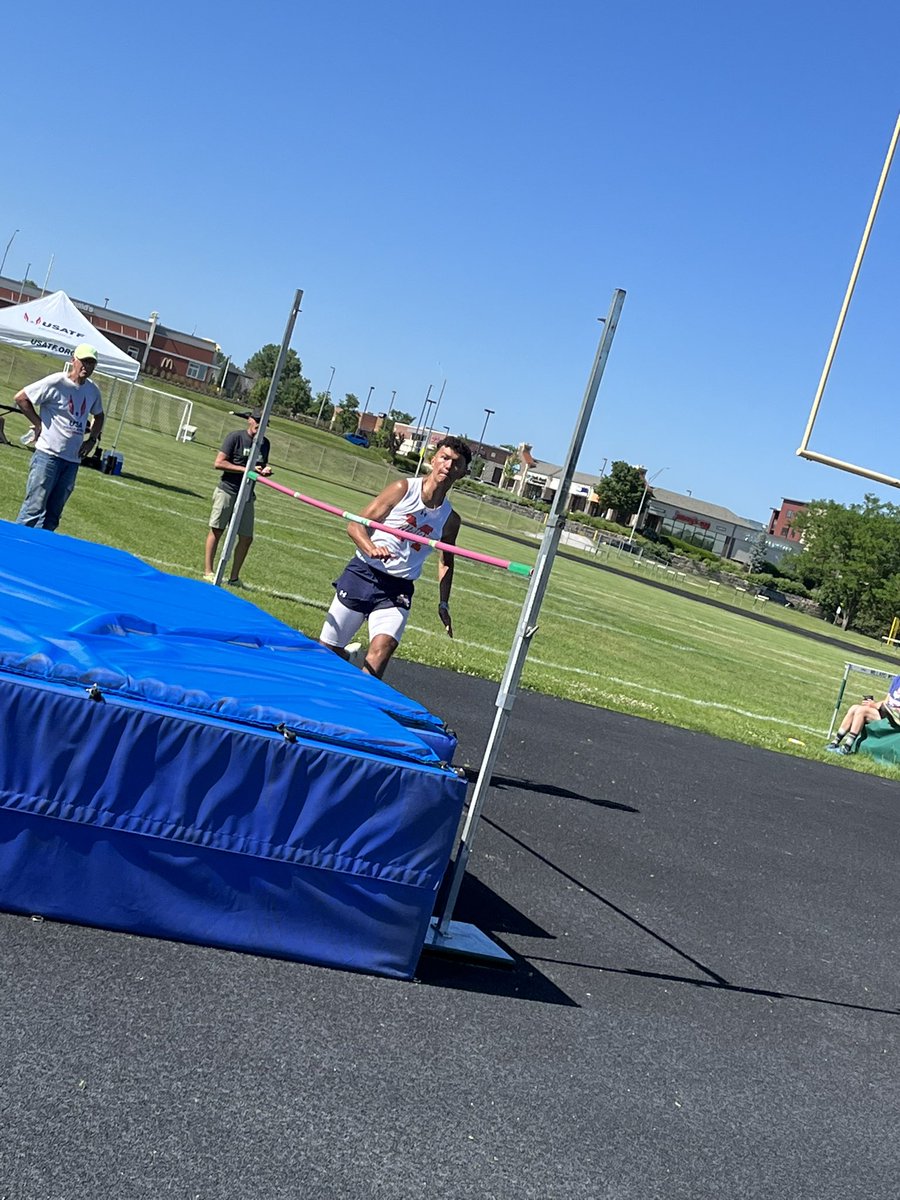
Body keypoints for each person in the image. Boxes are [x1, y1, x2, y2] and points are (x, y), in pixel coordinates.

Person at [319, 436, 472, 678]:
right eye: (444, 458)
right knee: (326, 651)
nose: (448, 466)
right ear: (433, 460)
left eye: (456, 463)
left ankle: (360, 708)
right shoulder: (403, 489)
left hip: (397, 588)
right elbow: (355, 526)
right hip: (362, 573)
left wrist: (443, 604)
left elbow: (446, 561)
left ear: (463, 473)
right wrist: (370, 548)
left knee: (383, 649)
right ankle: (347, 657)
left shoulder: (450, 520)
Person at [14, 344, 104, 531]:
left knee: (54, 514)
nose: (87, 367)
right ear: (74, 360)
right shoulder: (56, 382)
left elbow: (99, 415)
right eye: (84, 361)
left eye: (91, 363)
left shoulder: (92, 390)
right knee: (34, 508)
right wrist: (39, 423)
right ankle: (17, 548)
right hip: (48, 455)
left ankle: (41, 552)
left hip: (72, 459)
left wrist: (92, 440)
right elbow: (22, 398)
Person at [204, 408, 272, 586]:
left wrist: (264, 470)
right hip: (228, 490)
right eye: (257, 420)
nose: (260, 425)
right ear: (249, 420)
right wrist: (246, 470)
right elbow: (218, 463)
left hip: (247, 495)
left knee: (246, 537)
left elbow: (260, 465)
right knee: (217, 530)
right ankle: (208, 571)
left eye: (264, 423)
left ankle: (234, 578)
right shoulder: (235, 437)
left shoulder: (265, 444)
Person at [826, 681, 900, 754]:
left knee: (862, 711)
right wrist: (872, 704)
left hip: (896, 718)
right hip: (886, 712)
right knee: (854, 708)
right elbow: (886, 701)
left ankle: (847, 747)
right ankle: (835, 742)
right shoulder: (897, 679)